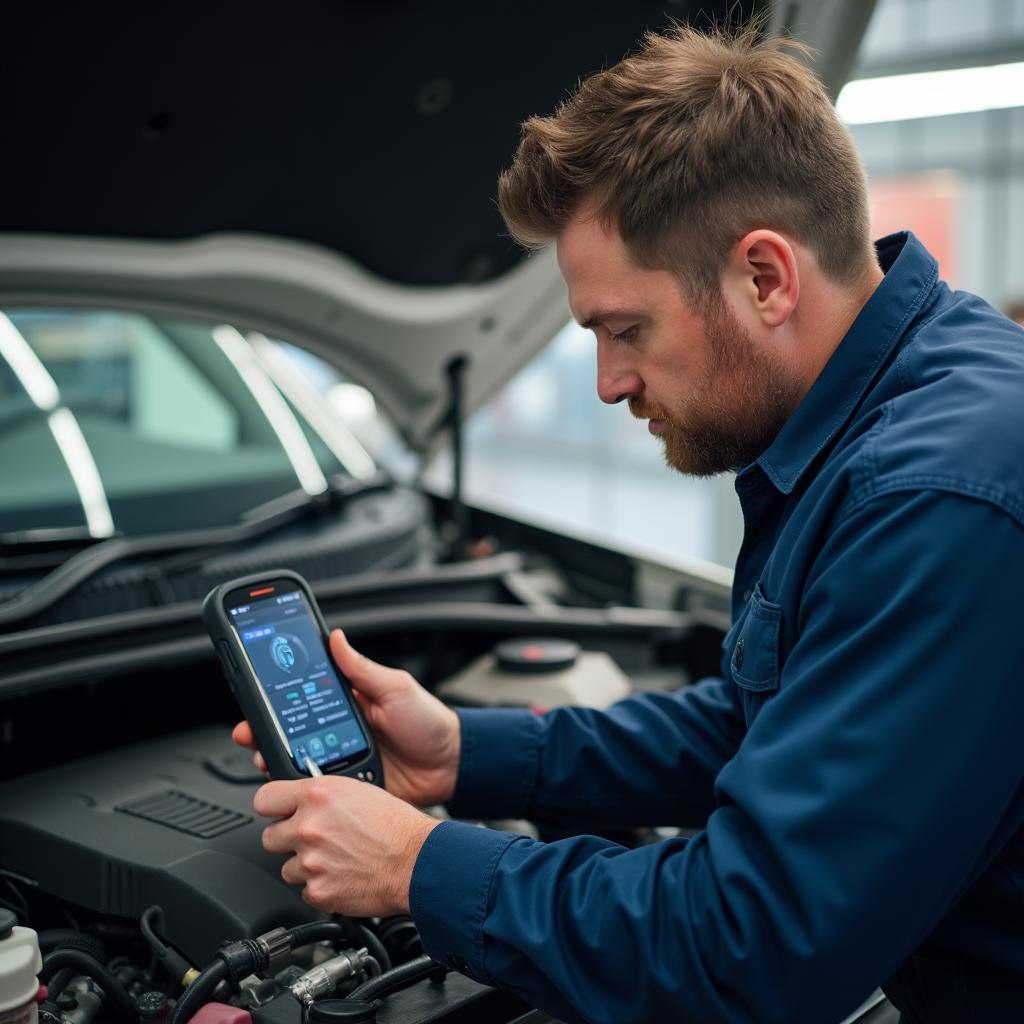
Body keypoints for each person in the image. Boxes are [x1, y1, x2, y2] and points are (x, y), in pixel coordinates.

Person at [233, 22, 1024, 1024]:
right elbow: (765, 722)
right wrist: (465, 756)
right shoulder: (899, 407)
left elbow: (748, 946)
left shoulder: (935, 499)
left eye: (624, 328)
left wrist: (416, 862)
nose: (609, 383)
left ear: (765, 277)